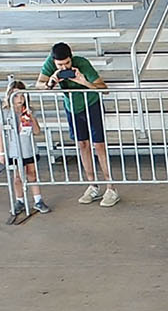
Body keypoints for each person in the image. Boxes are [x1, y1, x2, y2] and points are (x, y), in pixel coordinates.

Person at [37, 42, 118, 207]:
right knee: (82, 145)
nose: (64, 67)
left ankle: (111, 187)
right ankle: (92, 185)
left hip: (91, 104)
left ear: (71, 58)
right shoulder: (49, 64)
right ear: (54, 62)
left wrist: (83, 81)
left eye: (67, 63)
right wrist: (51, 82)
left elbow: (104, 89)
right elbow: (38, 85)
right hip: (72, 107)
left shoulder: (82, 63)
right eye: (60, 65)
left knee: (99, 145)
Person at [0, 80, 49, 216]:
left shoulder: (29, 111)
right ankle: (19, 200)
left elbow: (37, 131)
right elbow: (0, 133)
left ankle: (38, 199)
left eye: (22, 96)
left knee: (32, 173)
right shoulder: (5, 113)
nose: (19, 99)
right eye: (16, 96)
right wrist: (1, 152)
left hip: (28, 148)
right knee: (17, 177)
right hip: (13, 150)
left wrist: (30, 116)